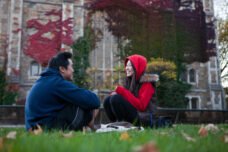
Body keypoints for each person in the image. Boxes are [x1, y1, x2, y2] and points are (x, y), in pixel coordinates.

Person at [25, 51, 100, 131]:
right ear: (62, 69)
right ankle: (90, 127)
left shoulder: (44, 80)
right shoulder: (57, 83)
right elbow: (95, 101)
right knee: (84, 102)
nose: (73, 70)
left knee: (79, 99)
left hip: (34, 127)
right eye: (71, 67)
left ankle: (89, 127)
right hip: (47, 128)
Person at [103, 54, 158, 126]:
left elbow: (141, 106)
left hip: (144, 118)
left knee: (116, 98)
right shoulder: (129, 81)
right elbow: (127, 99)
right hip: (135, 114)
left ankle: (122, 124)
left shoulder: (147, 83)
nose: (127, 68)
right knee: (107, 99)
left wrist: (122, 92)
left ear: (138, 67)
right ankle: (118, 122)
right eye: (126, 65)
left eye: (130, 66)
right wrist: (117, 93)